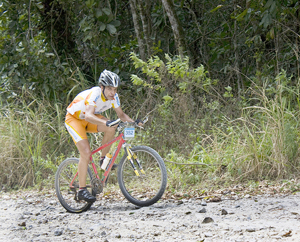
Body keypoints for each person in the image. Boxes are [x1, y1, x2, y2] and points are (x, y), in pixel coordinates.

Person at [65, 69, 140, 202]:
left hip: (88, 119)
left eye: (115, 89)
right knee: (86, 153)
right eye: (110, 89)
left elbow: (121, 116)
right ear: (102, 87)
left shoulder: (114, 97)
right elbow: (88, 115)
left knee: (112, 127)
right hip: (74, 119)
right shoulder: (95, 94)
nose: (113, 92)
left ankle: (103, 159)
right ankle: (82, 190)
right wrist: (107, 122)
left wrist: (134, 122)